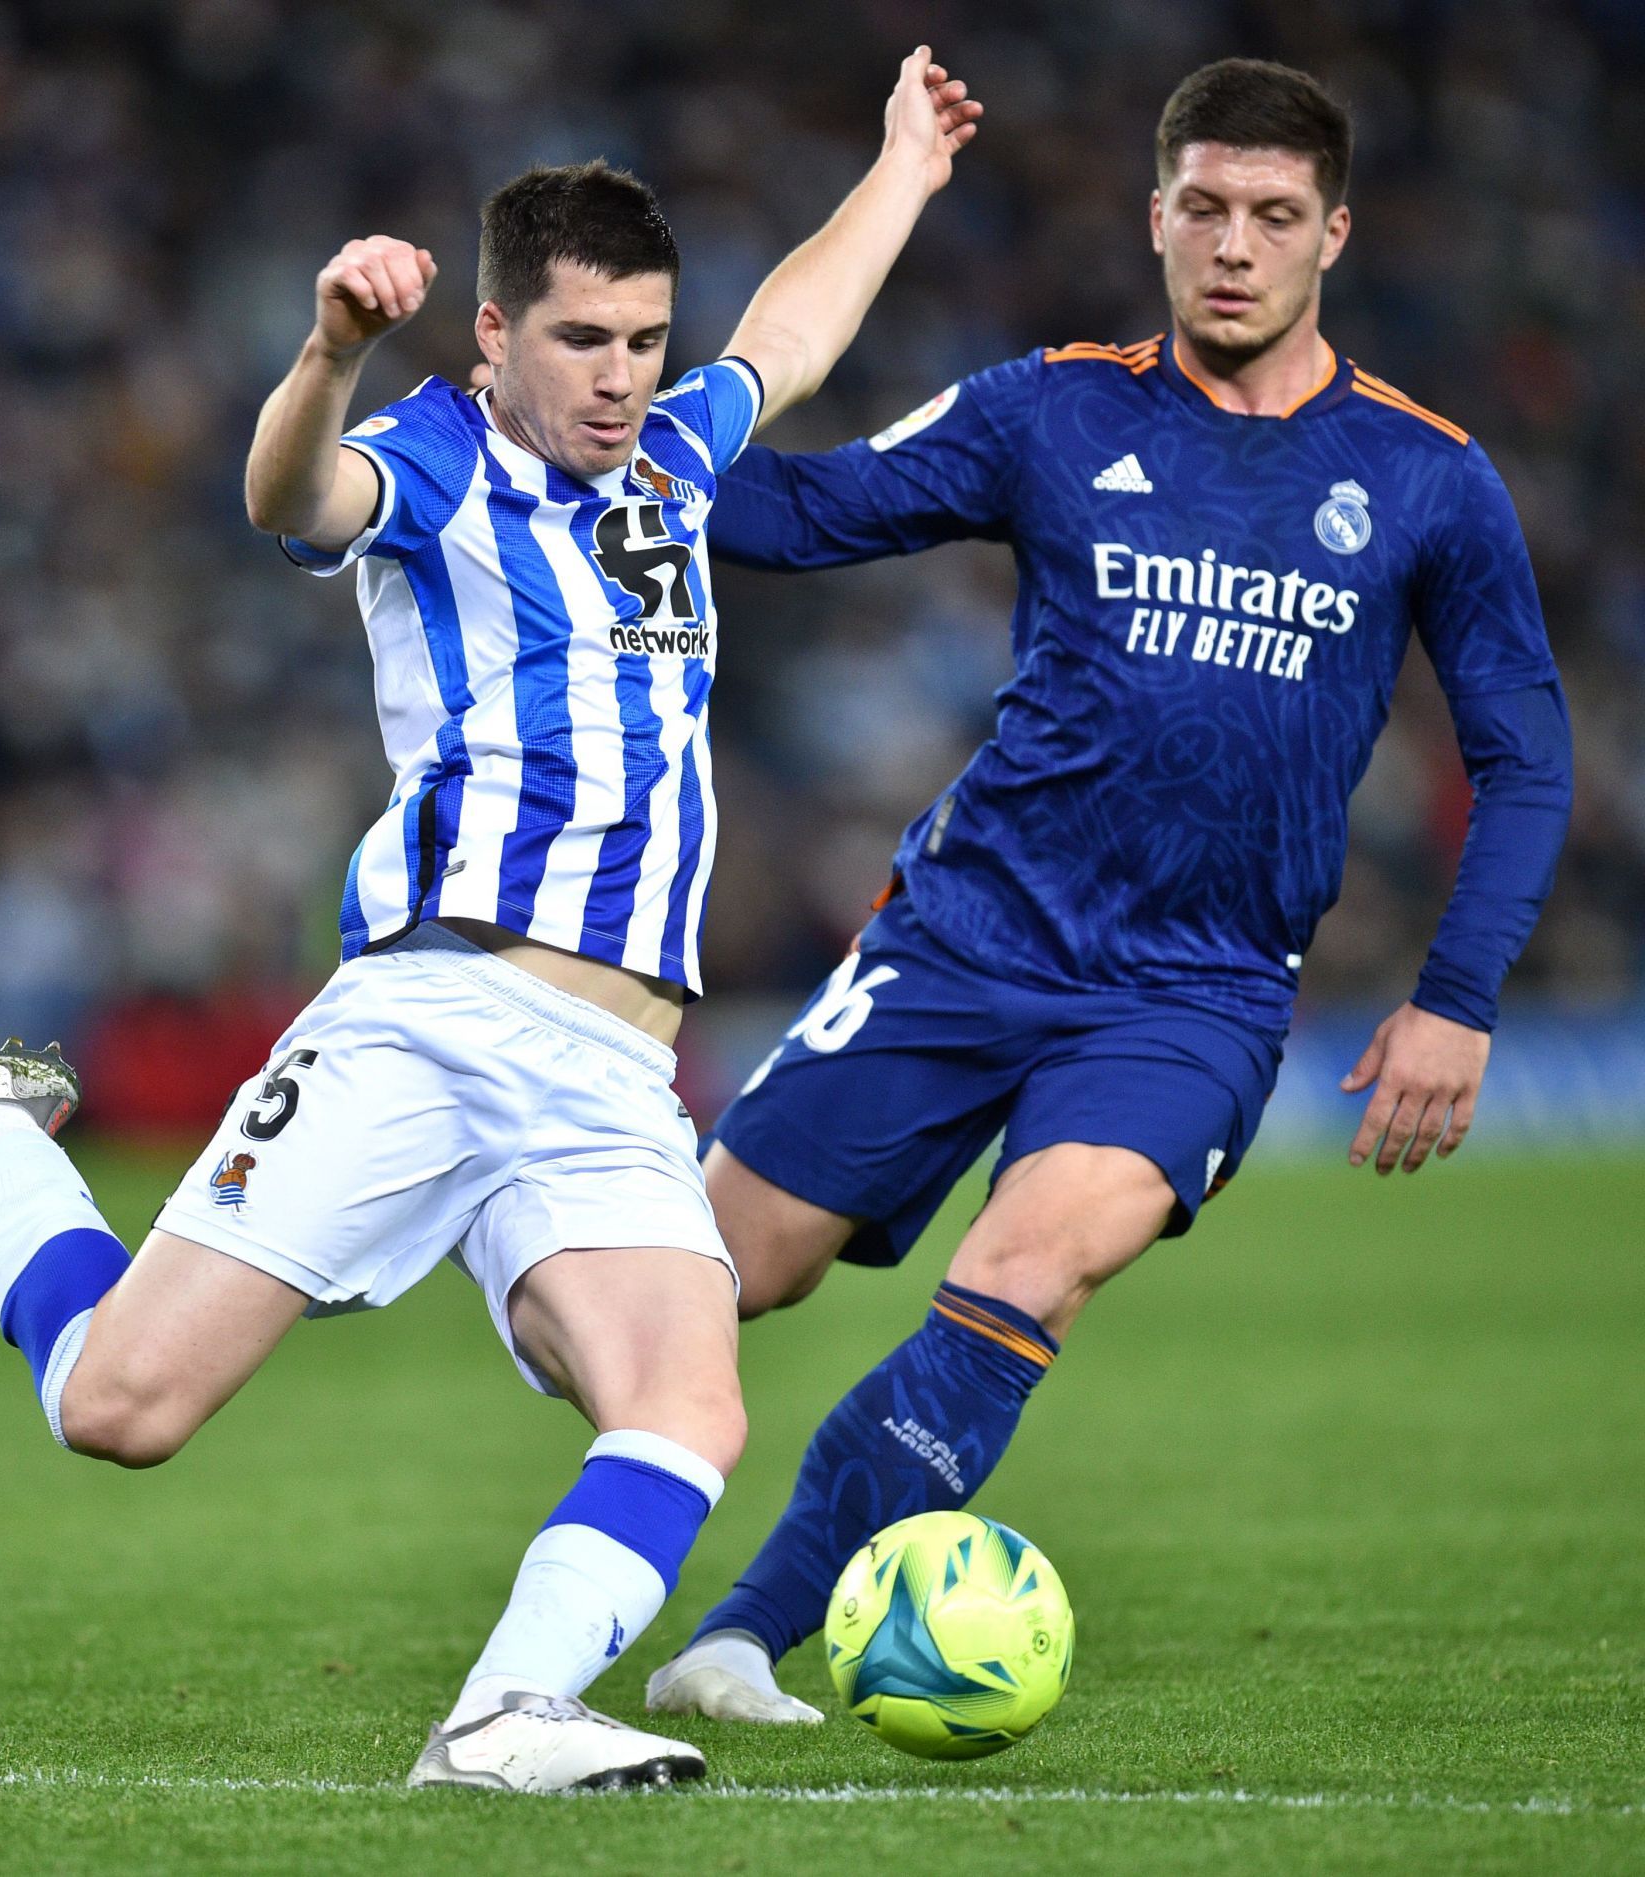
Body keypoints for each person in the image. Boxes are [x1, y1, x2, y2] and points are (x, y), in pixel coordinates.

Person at [0, 49, 982, 1790]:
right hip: (436, 1015)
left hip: (614, 1072)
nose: (621, 378)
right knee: (116, 1410)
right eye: (582, 341)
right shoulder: (435, 458)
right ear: (493, 337)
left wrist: (902, 169)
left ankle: (499, 1716)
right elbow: (293, 500)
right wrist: (330, 347)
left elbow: (788, 342)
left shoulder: (671, 463)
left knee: (692, 1397)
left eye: (645, 341)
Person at [646, 57, 1573, 1726]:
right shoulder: (1050, 409)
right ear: (1154, 219)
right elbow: (791, 515)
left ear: (1334, 236)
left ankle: (745, 1635)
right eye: (1203, 209)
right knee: (706, 1274)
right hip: (965, 933)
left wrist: (1457, 994)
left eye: (1274, 217)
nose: (1234, 245)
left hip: (1193, 993)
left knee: (1029, 1268)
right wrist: (640, 439)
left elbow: (1526, 756)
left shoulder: (1429, 476)